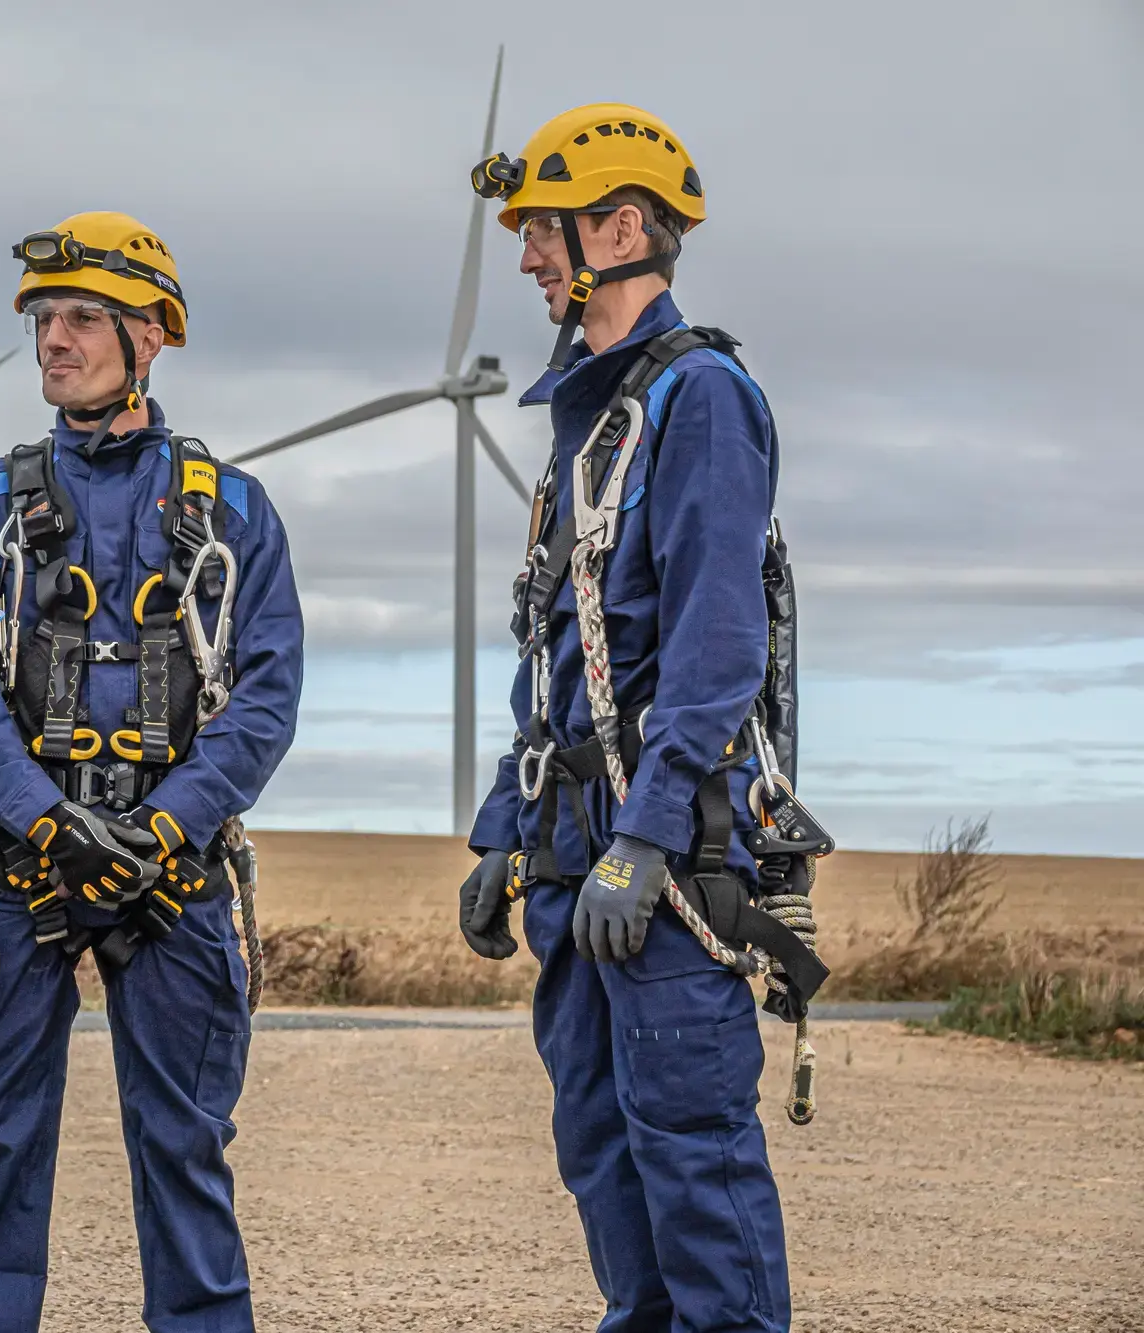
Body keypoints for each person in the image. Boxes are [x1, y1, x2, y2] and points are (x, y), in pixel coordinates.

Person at [0, 212, 303, 1332]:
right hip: (13, 868)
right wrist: (43, 825)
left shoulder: (232, 512)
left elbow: (264, 696)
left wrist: (166, 829)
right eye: (44, 318)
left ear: (152, 336)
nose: (53, 339)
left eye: (82, 316)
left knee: (183, 1144)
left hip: (173, 875)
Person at [458, 106, 807, 1331]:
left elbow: (716, 650)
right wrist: (504, 827)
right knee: (601, 1151)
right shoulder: (586, 416)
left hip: (649, 853)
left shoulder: (699, 397)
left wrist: (647, 835)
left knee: (691, 1158)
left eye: (541, 233)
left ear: (618, 227)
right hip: (570, 844)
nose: (525, 262)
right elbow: (550, 644)